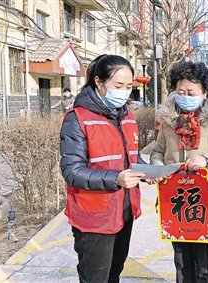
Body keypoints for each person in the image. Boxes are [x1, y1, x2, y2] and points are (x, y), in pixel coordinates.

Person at [148, 61, 208, 283]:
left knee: (206, 266)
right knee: (182, 262)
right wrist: (158, 167)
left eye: (191, 92)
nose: (185, 96)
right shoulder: (169, 119)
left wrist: (207, 160)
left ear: (205, 93)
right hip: (176, 202)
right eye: (180, 91)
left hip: (206, 203)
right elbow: (157, 151)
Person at [59, 54, 148, 283]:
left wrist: (148, 173)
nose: (125, 91)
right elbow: (72, 171)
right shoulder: (77, 119)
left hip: (124, 211)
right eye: (118, 86)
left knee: (114, 273)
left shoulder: (126, 116)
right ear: (99, 82)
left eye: (129, 86)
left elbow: (130, 155)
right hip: (94, 217)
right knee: (95, 278)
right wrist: (116, 179)